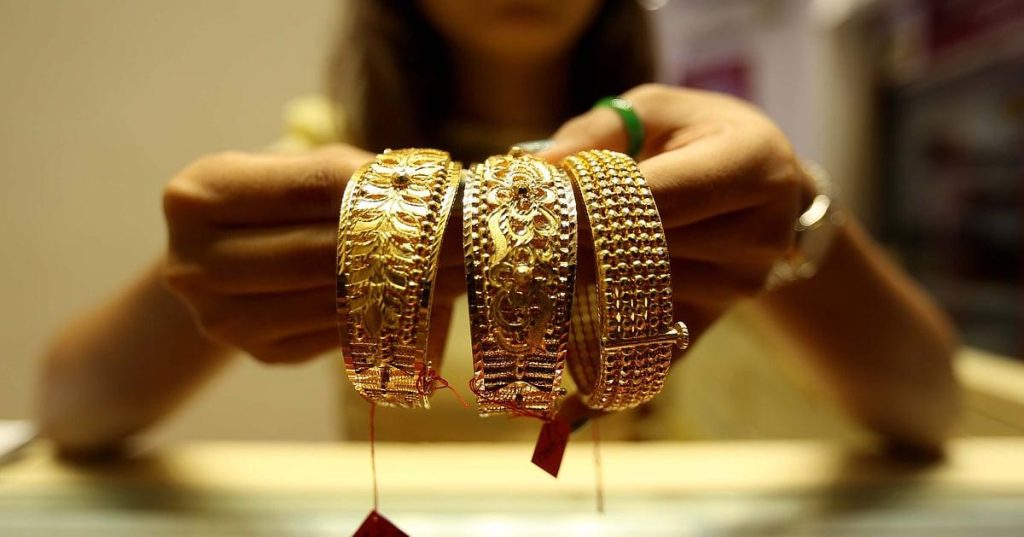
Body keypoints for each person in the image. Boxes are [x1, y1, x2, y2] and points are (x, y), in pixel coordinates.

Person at [39, 0, 959, 454]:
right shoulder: (325, 161)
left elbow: (929, 406)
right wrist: (202, 277)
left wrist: (796, 215)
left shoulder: (690, 165)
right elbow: (71, 410)